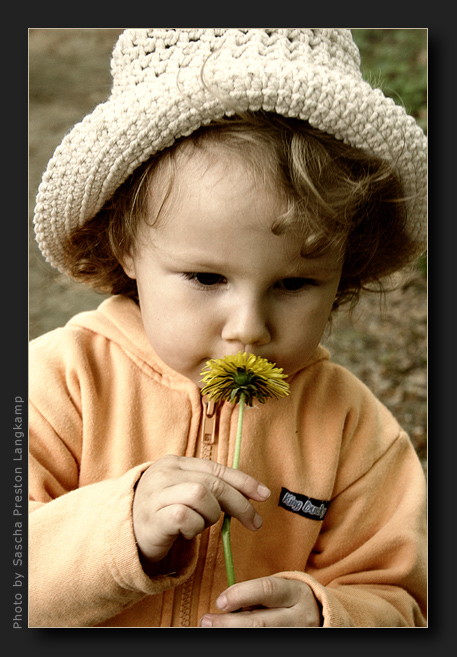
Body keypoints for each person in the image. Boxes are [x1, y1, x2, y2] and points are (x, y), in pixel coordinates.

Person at [29, 28, 427, 627]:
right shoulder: (58, 387)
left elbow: (402, 599)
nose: (248, 330)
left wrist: (329, 617)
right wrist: (119, 525)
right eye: (206, 278)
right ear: (126, 244)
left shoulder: (355, 434)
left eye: (294, 285)